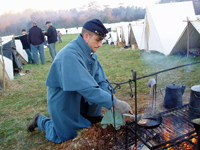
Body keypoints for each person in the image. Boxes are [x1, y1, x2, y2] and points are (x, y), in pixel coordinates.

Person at [27, 19, 132, 143]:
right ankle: (40, 120)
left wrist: (113, 103)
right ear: (86, 36)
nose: (100, 44)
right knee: (67, 136)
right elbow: (88, 89)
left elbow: (101, 81)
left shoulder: (91, 54)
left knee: (92, 120)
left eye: (101, 41)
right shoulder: (70, 55)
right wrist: (114, 103)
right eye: (98, 40)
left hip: (81, 97)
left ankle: (90, 117)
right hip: (64, 99)